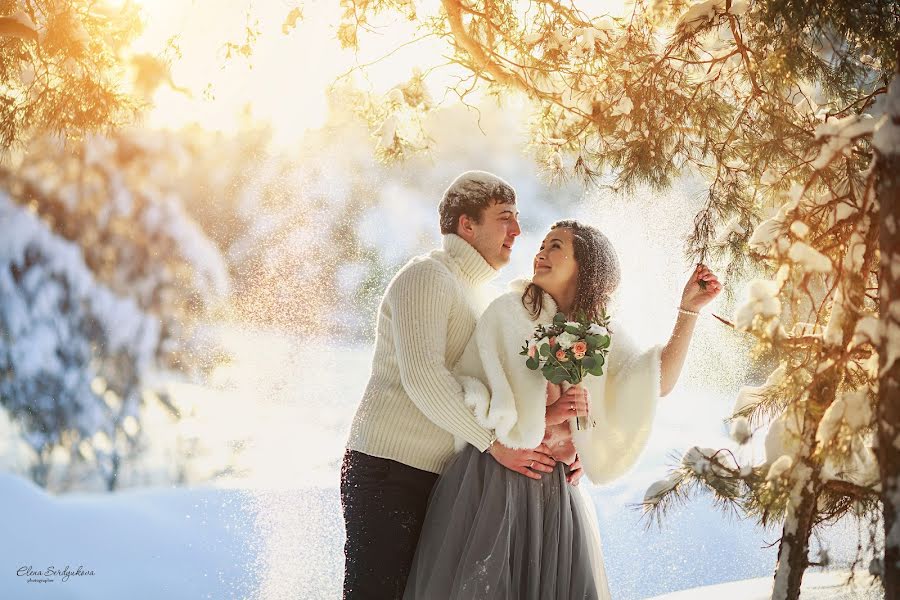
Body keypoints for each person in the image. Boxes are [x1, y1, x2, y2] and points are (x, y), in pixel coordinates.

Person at [403, 220, 722, 599]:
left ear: (585, 268)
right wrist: (548, 417)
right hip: (494, 485)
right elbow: (477, 399)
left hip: (555, 490)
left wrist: (688, 311)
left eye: (556, 246)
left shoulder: (600, 332)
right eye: (542, 245)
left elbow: (655, 382)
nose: (540, 252)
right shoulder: (507, 314)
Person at [340, 172, 580, 599]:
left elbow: (499, 396)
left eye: (517, 218)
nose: (517, 231)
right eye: (504, 218)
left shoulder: (481, 296)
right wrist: (493, 443)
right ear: (466, 225)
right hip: (391, 469)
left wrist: (562, 444)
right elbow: (424, 377)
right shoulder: (428, 277)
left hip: (442, 477)